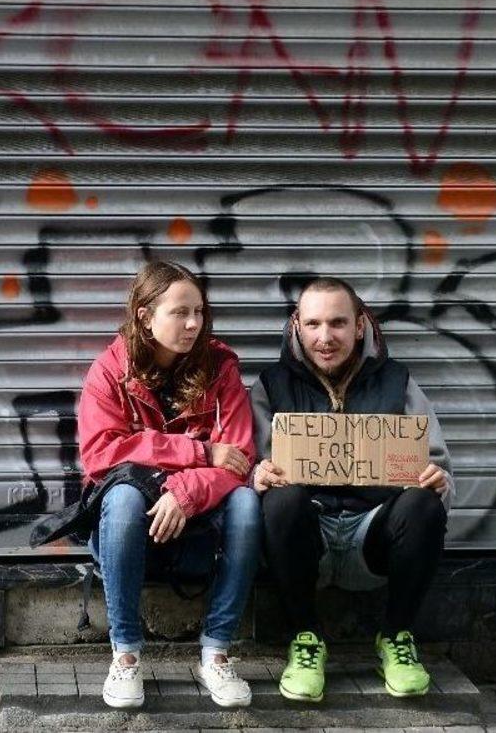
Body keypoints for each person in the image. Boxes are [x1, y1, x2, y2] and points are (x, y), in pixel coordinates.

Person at [250, 276, 453, 702]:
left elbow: (436, 462)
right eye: (314, 324)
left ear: (360, 326)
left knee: (424, 504)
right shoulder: (270, 386)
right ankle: (305, 637)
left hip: (373, 534)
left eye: (338, 323)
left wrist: (438, 480)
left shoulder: (397, 381)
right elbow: (250, 466)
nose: (325, 337)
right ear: (296, 327)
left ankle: (396, 637)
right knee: (281, 500)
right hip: (309, 539)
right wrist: (256, 475)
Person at [78, 261, 261, 710]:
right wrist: (196, 452)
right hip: (129, 528)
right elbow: (100, 454)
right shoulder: (109, 372)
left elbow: (239, 459)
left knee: (247, 503)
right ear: (144, 315)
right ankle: (125, 654)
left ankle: (216, 650)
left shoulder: (221, 370)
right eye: (180, 312)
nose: (194, 323)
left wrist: (186, 490)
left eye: (198, 311)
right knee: (119, 497)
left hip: (197, 525)